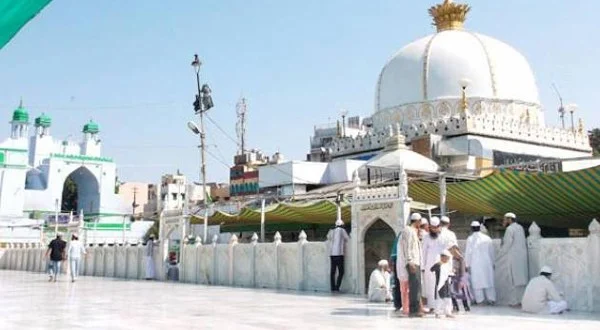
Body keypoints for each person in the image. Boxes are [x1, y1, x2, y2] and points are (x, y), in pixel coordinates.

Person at [496, 212, 528, 307]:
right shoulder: (520, 228)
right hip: (521, 257)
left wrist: (499, 256)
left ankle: (514, 302)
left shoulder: (510, 229)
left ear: (510, 220)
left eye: (505, 219)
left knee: (513, 280)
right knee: (520, 280)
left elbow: (507, 244)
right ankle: (521, 300)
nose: (504, 221)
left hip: (513, 257)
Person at [465, 221, 496, 305]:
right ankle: (491, 299)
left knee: (477, 282)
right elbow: (492, 252)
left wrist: (467, 265)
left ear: (471, 228)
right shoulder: (487, 238)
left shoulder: (470, 239)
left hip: (476, 264)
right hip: (487, 263)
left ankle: (480, 301)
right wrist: (493, 262)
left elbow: (468, 252)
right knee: (488, 280)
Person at [400, 212, 423, 317]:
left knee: (416, 286)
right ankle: (414, 310)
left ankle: (415, 309)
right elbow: (408, 247)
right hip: (413, 262)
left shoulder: (411, 231)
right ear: (418, 221)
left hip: (414, 261)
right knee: (415, 287)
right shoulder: (409, 231)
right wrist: (410, 261)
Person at [421, 216, 445, 310]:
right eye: (432, 228)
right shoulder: (426, 237)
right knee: (430, 286)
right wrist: (422, 266)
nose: (434, 229)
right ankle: (432, 306)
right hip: (429, 265)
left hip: (441, 264)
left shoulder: (443, 237)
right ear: (429, 227)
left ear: (439, 226)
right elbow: (423, 252)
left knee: (441, 284)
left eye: (436, 227)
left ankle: (441, 306)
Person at [430, 250, 454, 318]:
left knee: (448, 299)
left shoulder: (447, 265)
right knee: (440, 299)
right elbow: (431, 269)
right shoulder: (438, 264)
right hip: (440, 285)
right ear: (442, 257)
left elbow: (449, 273)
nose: (447, 259)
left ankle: (448, 312)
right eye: (446, 258)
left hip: (446, 284)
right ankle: (437, 313)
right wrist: (438, 264)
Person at [328, 219, 349, 292]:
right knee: (341, 271)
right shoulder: (342, 230)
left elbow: (328, 238)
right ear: (342, 224)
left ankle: (332, 287)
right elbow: (347, 238)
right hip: (339, 254)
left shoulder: (331, 230)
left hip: (332, 254)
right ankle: (337, 287)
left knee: (332, 272)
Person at [390, 231, 403, 311]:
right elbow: (394, 253)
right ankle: (398, 304)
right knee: (398, 283)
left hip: (402, 261)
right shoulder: (402, 234)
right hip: (400, 261)